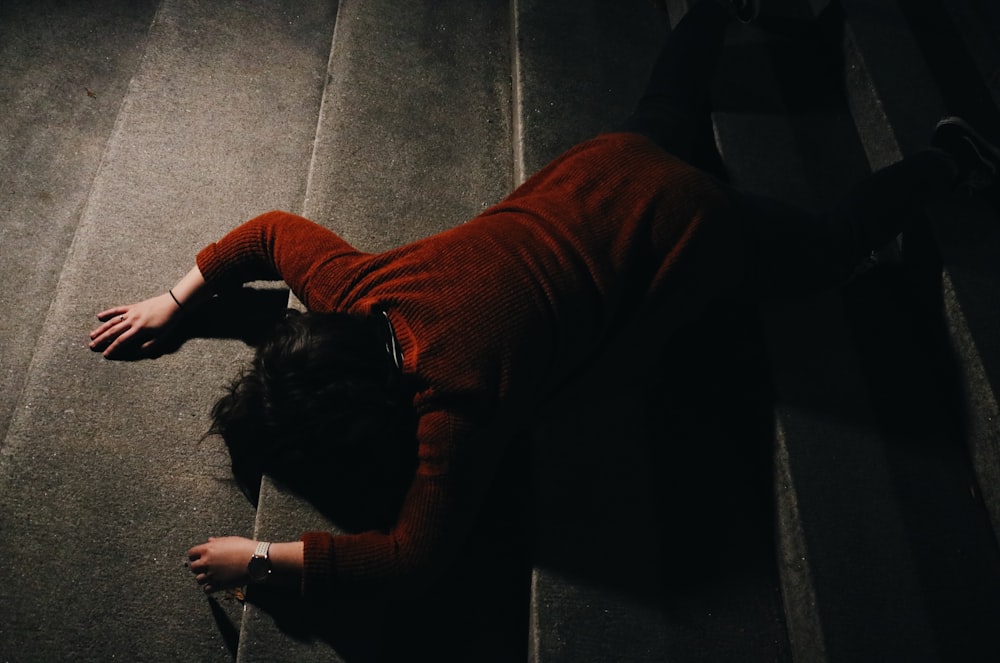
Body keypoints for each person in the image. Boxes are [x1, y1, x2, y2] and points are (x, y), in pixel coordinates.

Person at [88, 0, 999, 601]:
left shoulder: (458, 405)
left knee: (828, 249)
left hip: (689, 229)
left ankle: (946, 155)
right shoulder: (355, 291)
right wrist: (180, 295)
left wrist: (263, 558)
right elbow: (273, 229)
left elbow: (412, 557)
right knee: (667, 102)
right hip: (602, 170)